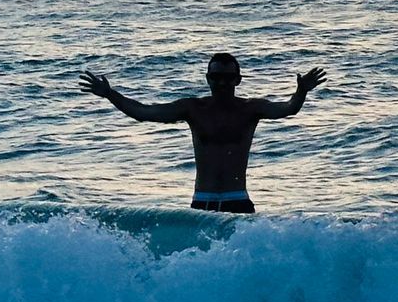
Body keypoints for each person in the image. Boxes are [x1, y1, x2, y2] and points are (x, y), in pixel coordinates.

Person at [79, 53, 325, 213]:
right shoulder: (193, 109)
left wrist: (301, 91)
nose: (221, 83)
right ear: (208, 79)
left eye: (228, 78)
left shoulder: (251, 109)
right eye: (216, 77)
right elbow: (144, 112)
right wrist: (110, 94)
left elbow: (289, 108)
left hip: (237, 201)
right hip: (201, 203)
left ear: (238, 80)